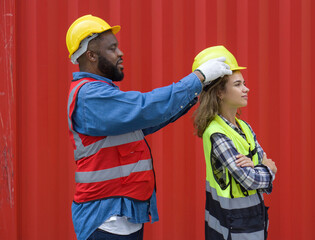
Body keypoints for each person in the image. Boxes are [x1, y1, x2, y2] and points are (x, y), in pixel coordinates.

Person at [65, 15, 232, 240]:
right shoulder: (89, 96)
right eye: (112, 48)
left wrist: (197, 90)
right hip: (105, 219)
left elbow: (148, 120)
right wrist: (198, 78)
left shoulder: (103, 94)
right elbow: (144, 108)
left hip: (121, 216)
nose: (120, 53)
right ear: (91, 55)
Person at [192, 46, 278, 240]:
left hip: (252, 220)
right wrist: (266, 169)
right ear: (219, 93)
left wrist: (258, 167)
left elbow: (262, 166)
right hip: (232, 225)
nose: (246, 89)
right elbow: (251, 179)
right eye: (238, 84)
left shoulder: (243, 127)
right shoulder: (216, 133)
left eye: (244, 83)